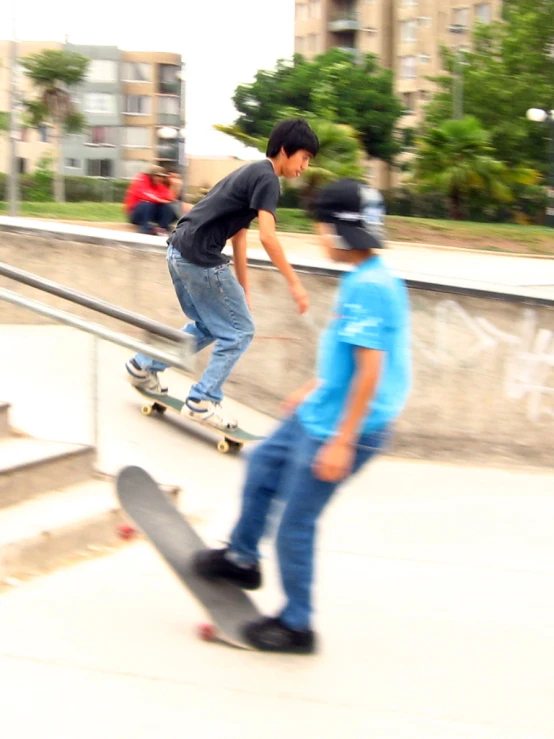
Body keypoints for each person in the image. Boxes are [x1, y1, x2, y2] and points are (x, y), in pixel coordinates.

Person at [192, 178, 412, 653]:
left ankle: (297, 625)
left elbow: (372, 373)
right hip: (321, 410)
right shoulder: (364, 277)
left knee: (296, 522)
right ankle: (242, 558)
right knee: (262, 462)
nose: (318, 235)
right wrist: (316, 386)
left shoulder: (371, 287)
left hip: (344, 427)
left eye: (319, 227)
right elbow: (356, 355)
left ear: (336, 230)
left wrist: (343, 441)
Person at [125, 118, 319, 430]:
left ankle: (142, 365)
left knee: (208, 325)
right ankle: (203, 399)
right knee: (240, 332)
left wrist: (243, 287)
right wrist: (295, 284)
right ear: (285, 151)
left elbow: (239, 235)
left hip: (177, 250)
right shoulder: (269, 179)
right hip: (200, 256)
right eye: (305, 158)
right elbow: (268, 237)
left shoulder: (251, 171)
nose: (306, 167)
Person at [123, 165, 177, 235]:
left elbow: (169, 198)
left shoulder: (159, 185)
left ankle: (163, 228)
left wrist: (174, 186)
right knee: (148, 203)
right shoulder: (141, 180)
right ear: (150, 176)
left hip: (150, 213)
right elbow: (146, 195)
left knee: (167, 206)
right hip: (134, 214)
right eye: (157, 176)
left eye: (162, 177)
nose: (160, 179)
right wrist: (161, 200)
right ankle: (145, 227)